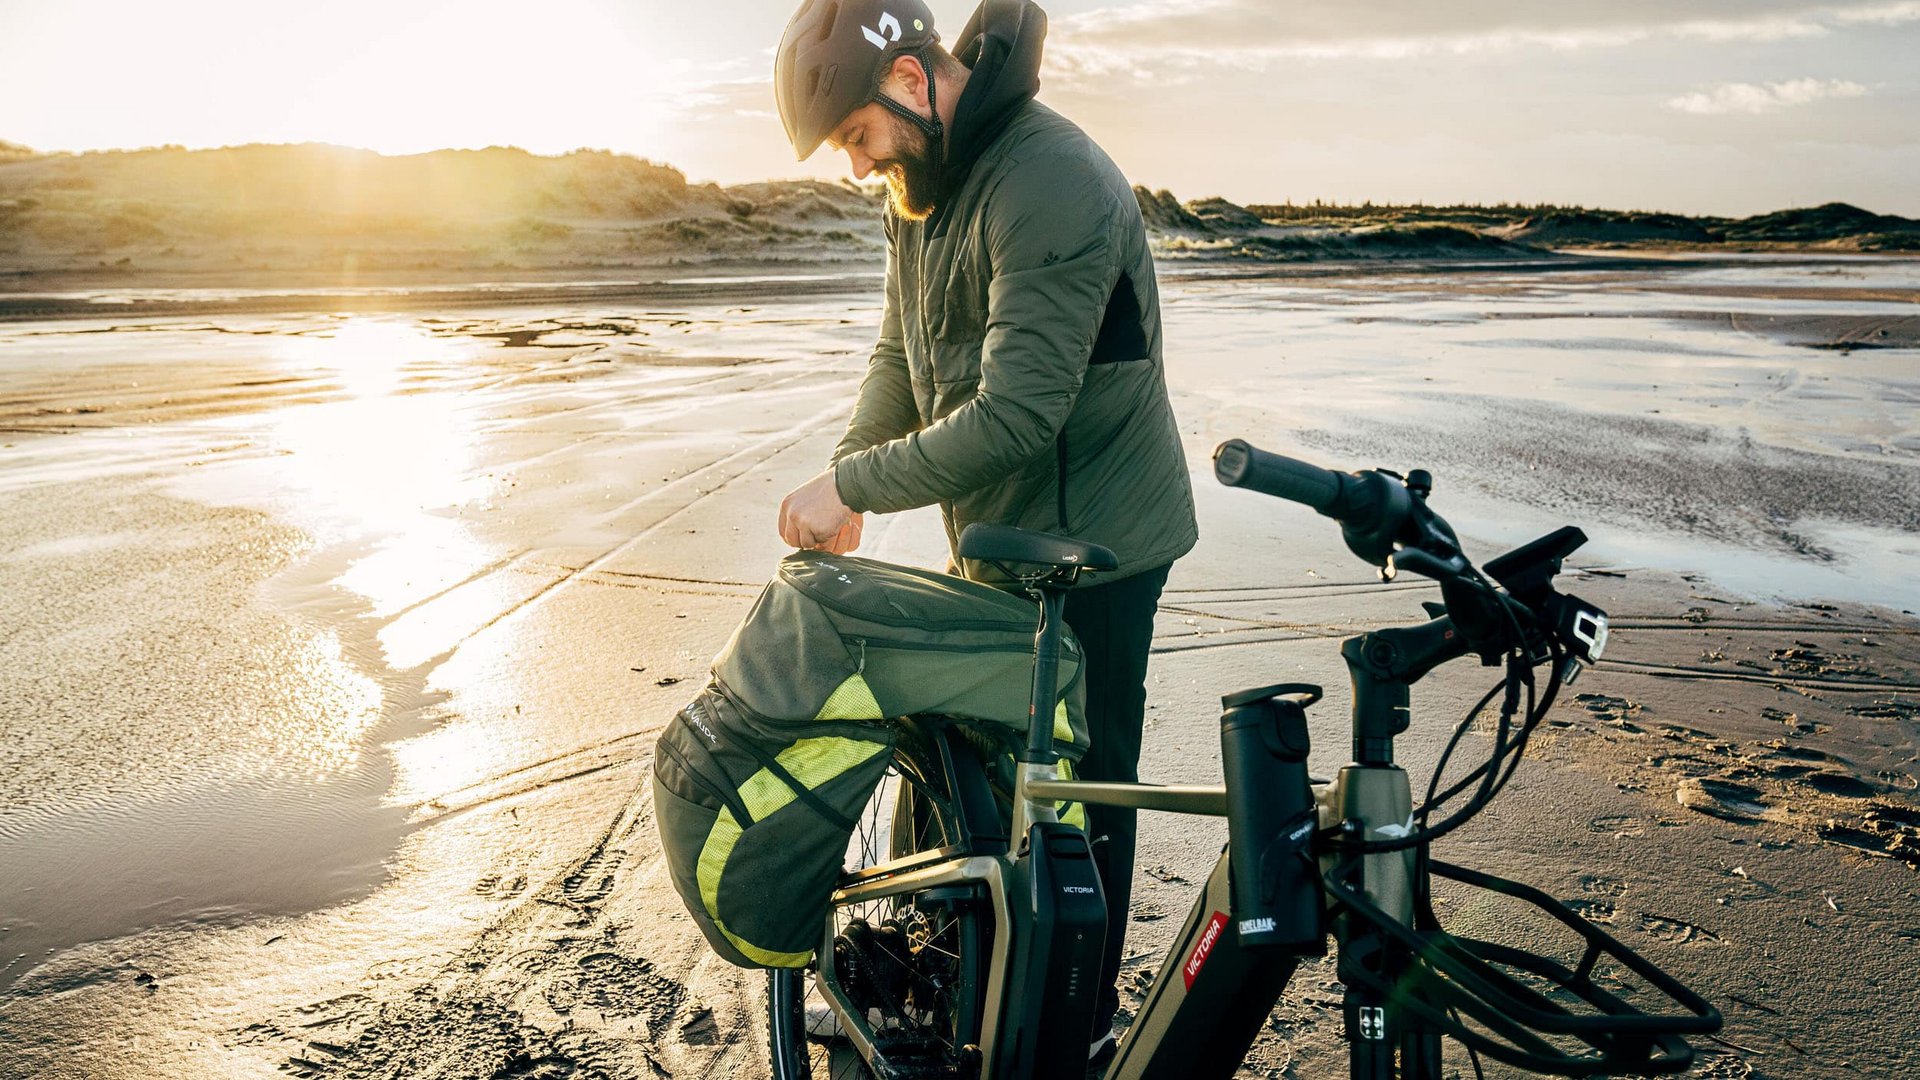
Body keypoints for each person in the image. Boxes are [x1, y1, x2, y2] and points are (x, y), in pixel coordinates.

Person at [771, 0, 1197, 1066]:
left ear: (912, 83)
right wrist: (851, 478)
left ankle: (1074, 1028)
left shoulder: (1047, 177)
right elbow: (896, 356)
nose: (859, 169)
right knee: (972, 759)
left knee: (1080, 785)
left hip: (1100, 539)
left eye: (858, 138)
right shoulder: (921, 187)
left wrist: (856, 482)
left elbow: (1018, 414)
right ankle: (949, 984)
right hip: (999, 531)